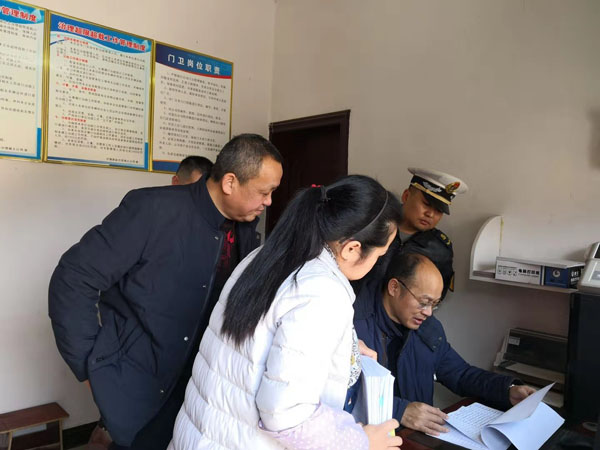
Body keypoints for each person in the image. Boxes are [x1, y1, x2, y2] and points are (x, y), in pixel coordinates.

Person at [48, 134, 283, 450]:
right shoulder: (153, 210)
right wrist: (91, 366)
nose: (269, 202)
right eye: (264, 192)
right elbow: (73, 279)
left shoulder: (244, 229)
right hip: (140, 387)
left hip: (199, 391)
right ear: (230, 182)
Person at [168, 175, 404, 450]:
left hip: (200, 434)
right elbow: (286, 414)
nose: (378, 263)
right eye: (379, 255)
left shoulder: (267, 256)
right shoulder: (323, 291)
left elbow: (259, 343)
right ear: (352, 249)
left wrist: (344, 348)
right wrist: (360, 441)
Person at [352, 250, 536, 437]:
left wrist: (507, 390)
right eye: (424, 302)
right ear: (394, 288)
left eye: (435, 304)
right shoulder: (353, 326)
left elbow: (460, 374)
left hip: (416, 438)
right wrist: (399, 410)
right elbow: (341, 394)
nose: (428, 312)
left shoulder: (428, 328)